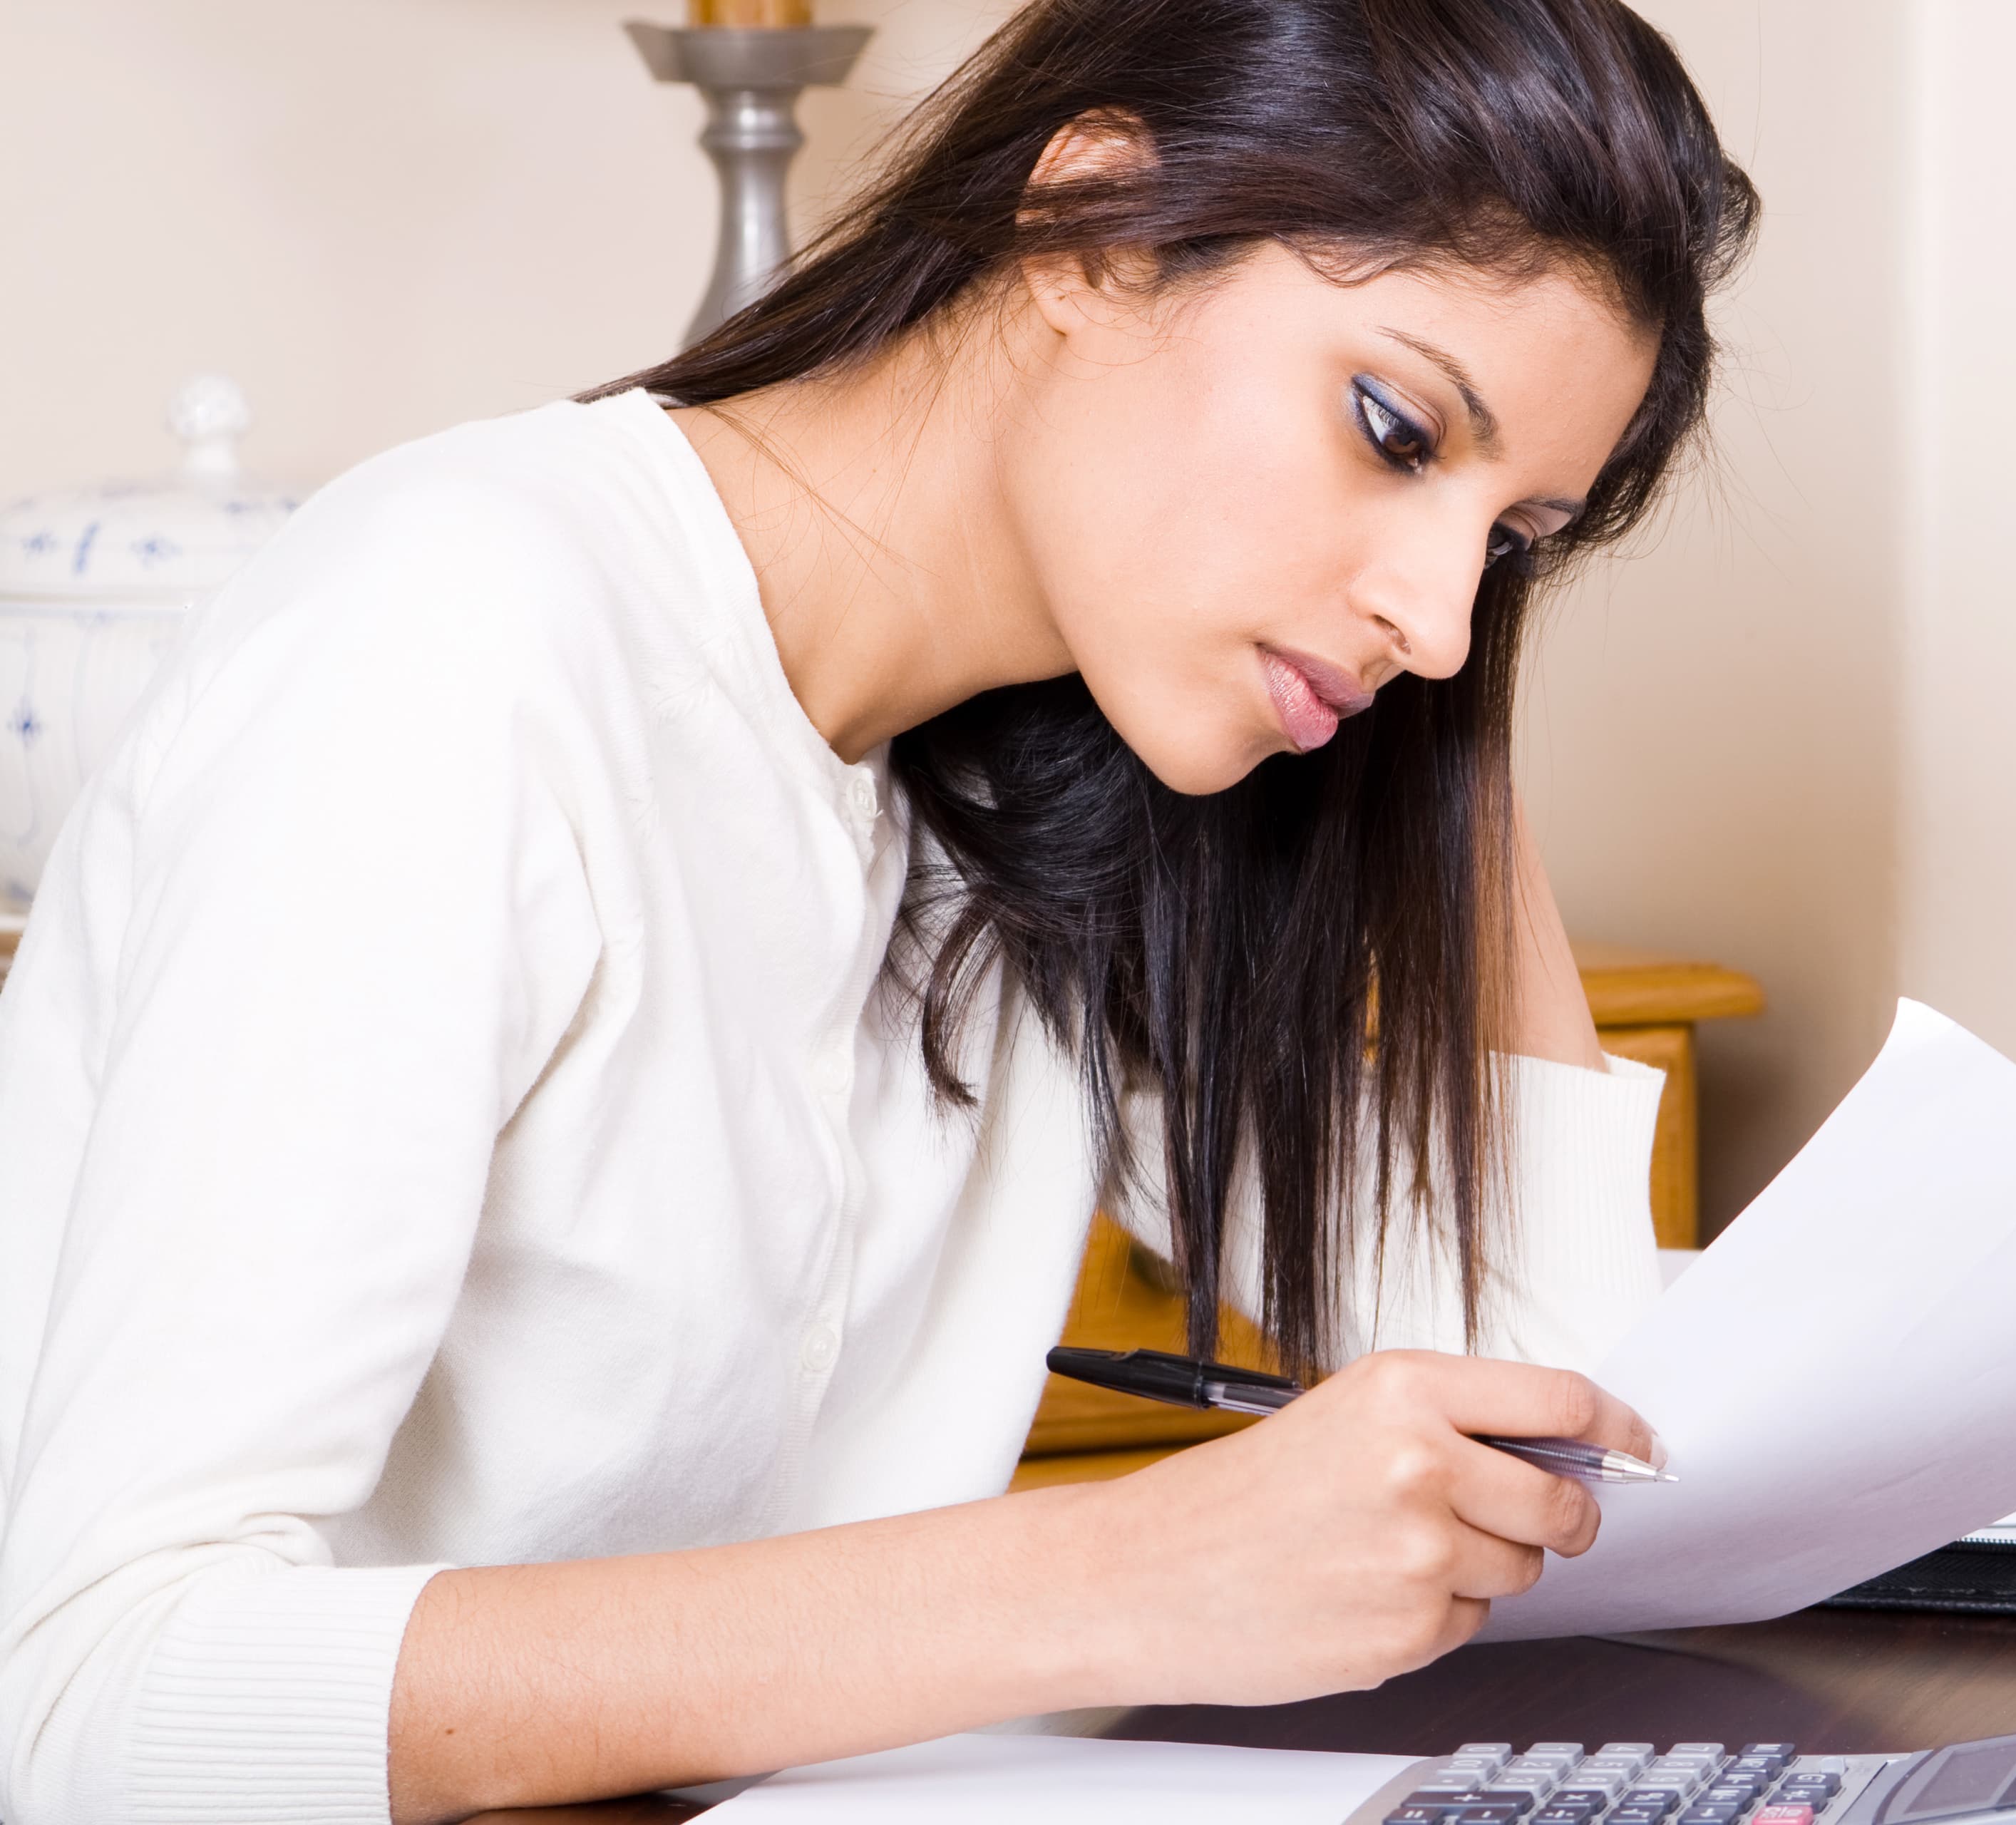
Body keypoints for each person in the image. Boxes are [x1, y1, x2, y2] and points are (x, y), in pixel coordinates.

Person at [0, 0, 1757, 1817]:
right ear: (1093, 229)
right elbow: (90, 1700)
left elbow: (1553, 1407)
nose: (1446, 616)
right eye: (1393, 425)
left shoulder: (1072, 780)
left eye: (1517, 540)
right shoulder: (454, 641)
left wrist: (1436, 723)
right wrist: (1114, 1574)